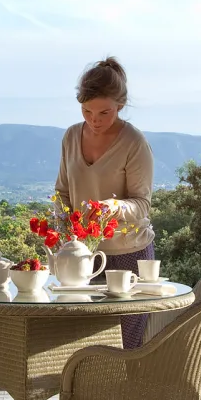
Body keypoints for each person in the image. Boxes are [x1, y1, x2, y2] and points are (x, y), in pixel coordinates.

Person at [55, 56, 156, 350]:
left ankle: (127, 397)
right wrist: (64, 237)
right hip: (82, 256)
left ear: (120, 106)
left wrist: (113, 207)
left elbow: (142, 205)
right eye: (86, 111)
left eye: (104, 112)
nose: (94, 120)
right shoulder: (71, 136)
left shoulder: (134, 143)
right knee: (81, 344)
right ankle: (84, 398)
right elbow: (62, 193)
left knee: (125, 347)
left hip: (128, 255)